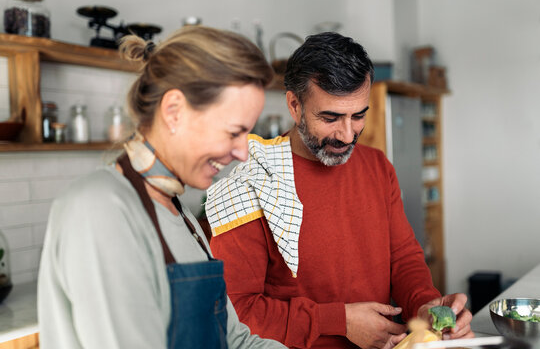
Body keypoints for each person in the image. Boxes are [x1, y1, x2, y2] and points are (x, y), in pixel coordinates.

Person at [205, 32, 473, 349]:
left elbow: (402, 259)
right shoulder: (251, 183)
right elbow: (235, 311)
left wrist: (426, 305)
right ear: (294, 105)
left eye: (358, 115)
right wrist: (339, 322)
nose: (347, 135)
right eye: (330, 117)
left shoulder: (377, 167)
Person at [37, 26, 288, 349]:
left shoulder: (181, 216)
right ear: (174, 112)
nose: (243, 151)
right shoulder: (100, 209)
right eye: (233, 132)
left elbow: (235, 341)